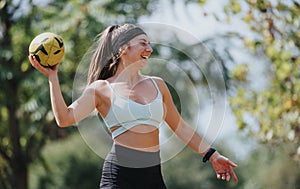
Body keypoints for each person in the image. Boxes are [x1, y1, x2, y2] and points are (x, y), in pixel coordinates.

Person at [29, 23, 238, 189]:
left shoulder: (158, 85)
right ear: (123, 49)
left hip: (153, 176)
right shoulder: (101, 89)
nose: (150, 49)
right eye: (143, 43)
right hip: (119, 176)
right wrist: (52, 77)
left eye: (149, 44)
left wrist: (213, 155)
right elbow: (65, 118)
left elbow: (180, 127)